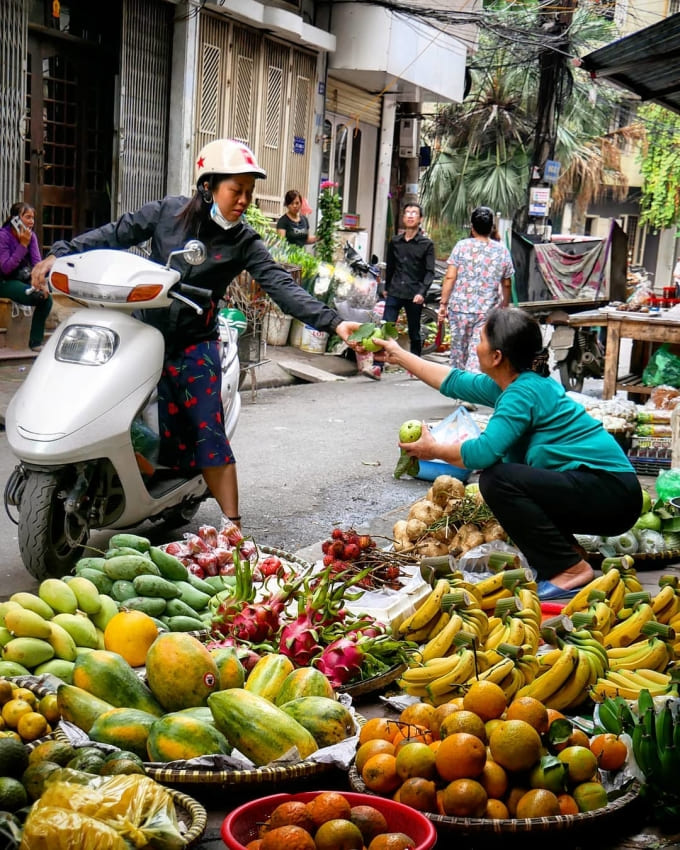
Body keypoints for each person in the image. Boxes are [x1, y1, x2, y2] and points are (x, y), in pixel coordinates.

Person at [31, 139, 359, 529]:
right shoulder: (167, 212)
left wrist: (333, 322)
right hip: (142, 333)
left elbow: (281, 286)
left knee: (207, 431)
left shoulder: (244, 241)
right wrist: (62, 251)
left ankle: (233, 529)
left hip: (193, 342)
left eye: (249, 193)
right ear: (208, 186)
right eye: (236, 190)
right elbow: (116, 233)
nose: (243, 200)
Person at [372, 306, 642, 601]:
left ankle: (569, 570)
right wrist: (399, 354)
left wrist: (433, 449)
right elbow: (453, 381)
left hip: (611, 493)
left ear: (497, 356)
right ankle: (568, 553)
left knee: (497, 480)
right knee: (515, 479)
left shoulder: (521, 393)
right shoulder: (517, 383)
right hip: (606, 491)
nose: (476, 347)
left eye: (481, 340)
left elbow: (482, 454)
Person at [438, 206, 514, 372]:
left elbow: (450, 277)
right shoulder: (502, 251)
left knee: (458, 351)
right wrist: (505, 304)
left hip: (459, 309)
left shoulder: (461, 246)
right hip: (486, 310)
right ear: (491, 228)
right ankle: (472, 380)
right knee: (477, 351)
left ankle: (459, 382)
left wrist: (443, 303)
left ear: (472, 227)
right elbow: (507, 283)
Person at [377, 203, 434, 380]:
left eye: (414, 213)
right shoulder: (395, 242)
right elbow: (391, 267)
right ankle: (377, 366)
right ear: (403, 217)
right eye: (407, 212)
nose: (410, 215)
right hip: (395, 290)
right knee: (386, 327)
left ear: (420, 219)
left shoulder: (426, 244)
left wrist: (422, 292)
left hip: (414, 293)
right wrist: (386, 288)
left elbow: (429, 272)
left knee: (414, 331)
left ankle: (415, 367)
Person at [0, 202, 52, 351]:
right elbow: (5, 268)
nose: (31, 221)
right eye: (27, 217)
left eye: (33, 218)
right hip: (4, 280)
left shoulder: (31, 236)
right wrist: (22, 245)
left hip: (21, 278)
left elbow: (37, 264)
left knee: (46, 298)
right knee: (34, 297)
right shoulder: (3, 236)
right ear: (15, 219)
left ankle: (35, 341)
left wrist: (41, 283)